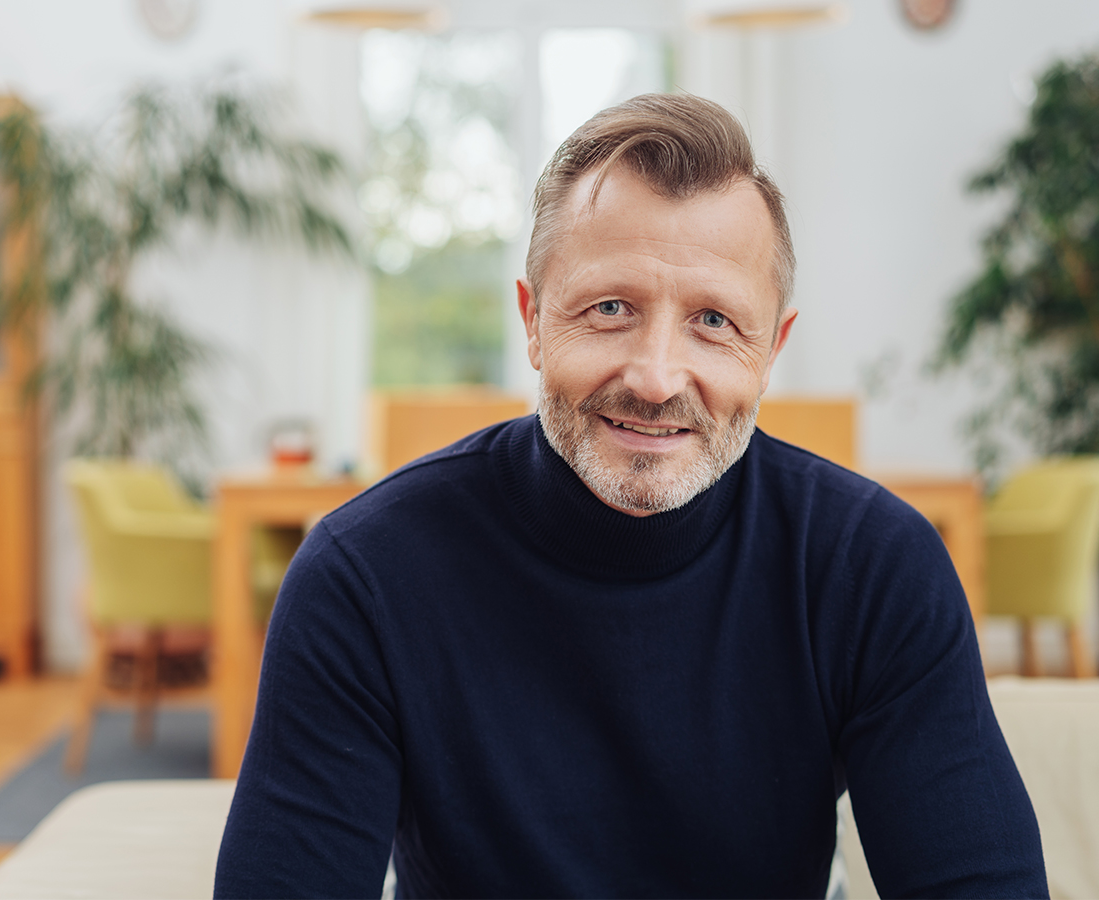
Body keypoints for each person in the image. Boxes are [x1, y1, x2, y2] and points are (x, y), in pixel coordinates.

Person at [215, 93, 1046, 899]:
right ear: (534, 321)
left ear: (771, 350)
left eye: (715, 321)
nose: (654, 378)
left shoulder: (874, 566)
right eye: (610, 308)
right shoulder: (365, 574)